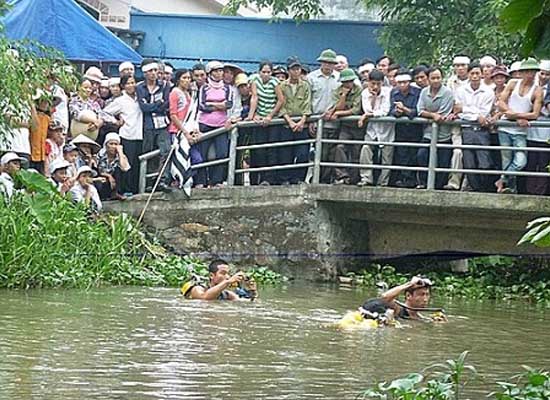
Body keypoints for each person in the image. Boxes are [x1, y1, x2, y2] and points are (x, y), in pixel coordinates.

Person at [496, 58, 544, 194]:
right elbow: (501, 102)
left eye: (532, 72)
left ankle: (502, 180)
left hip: (520, 130)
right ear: (521, 73)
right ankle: (509, 189)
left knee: (520, 161)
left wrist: (515, 116)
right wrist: (513, 114)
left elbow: (535, 114)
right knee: (506, 160)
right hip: (505, 127)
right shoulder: (512, 83)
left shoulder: (537, 90)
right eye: (527, 71)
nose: (530, 75)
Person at [454, 62, 495, 192]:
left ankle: (485, 189)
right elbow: (458, 111)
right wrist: (476, 115)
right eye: (472, 73)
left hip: (482, 131)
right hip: (466, 129)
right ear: (468, 74)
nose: (475, 76)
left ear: (482, 75)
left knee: (485, 163)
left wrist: (468, 110)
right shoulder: (461, 90)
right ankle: (475, 188)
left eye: (478, 73)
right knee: (469, 163)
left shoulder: (488, 92)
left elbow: (485, 112)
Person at [136, 58, 173, 192]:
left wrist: (153, 105)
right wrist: (157, 104)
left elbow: (166, 104)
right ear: (145, 73)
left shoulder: (165, 85)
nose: (153, 73)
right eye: (150, 71)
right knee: (149, 152)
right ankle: (149, 182)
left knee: (166, 150)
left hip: (163, 123)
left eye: (155, 70)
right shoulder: (140, 87)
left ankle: (162, 180)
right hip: (148, 124)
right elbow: (143, 107)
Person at [103, 75, 144, 195]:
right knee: (127, 164)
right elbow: (105, 112)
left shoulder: (140, 98)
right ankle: (125, 189)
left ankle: (136, 189)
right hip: (127, 135)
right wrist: (116, 122)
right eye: (128, 83)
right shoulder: (120, 101)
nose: (131, 86)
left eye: (133, 83)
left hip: (140, 135)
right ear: (123, 86)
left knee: (137, 164)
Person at [416, 67, 455, 189]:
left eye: (438, 77)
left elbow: (442, 114)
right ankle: (423, 182)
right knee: (422, 155)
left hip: (444, 135)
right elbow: (420, 110)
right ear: (428, 79)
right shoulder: (424, 92)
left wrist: (430, 114)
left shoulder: (447, 93)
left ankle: (439, 186)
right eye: (433, 78)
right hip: (428, 133)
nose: (436, 80)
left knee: (443, 162)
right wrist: (432, 114)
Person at [248, 60, 285, 185]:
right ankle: (259, 178)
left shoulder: (275, 82)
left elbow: (280, 100)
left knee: (272, 150)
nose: (266, 74)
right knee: (259, 150)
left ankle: (269, 179)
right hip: (259, 118)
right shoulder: (254, 80)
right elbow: (254, 97)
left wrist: (270, 116)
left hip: (272, 119)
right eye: (263, 72)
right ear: (259, 72)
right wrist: (252, 116)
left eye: (268, 72)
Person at [198, 61, 234, 187]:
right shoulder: (204, 87)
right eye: (216, 71)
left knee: (222, 153)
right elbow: (202, 106)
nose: (219, 74)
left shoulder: (227, 88)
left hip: (221, 125)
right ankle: (201, 181)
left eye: (220, 71)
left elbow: (229, 105)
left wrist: (212, 105)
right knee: (202, 154)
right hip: (205, 124)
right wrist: (220, 105)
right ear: (210, 73)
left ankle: (216, 180)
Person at [357, 69, 394, 186]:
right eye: (373, 83)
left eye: (378, 84)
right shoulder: (364, 93)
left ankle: (383, 182)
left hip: (386, 130)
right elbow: (368, 110)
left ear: (383, 83)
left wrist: (368, 115)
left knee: (387, 156)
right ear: (368, 82)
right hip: (372, 130)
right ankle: (366, 178)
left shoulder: (389, 92)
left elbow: (385, 110)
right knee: (365, 149)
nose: (376, 86)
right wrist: (373, 99)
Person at [307, 49, 340, 183]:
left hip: (334, 120)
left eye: (330, 63)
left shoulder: (339, 78)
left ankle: (326, 179)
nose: (327, 65)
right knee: (320, 152)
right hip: (317, 121)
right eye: (325, 62)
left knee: (332, 153)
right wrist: (310, 120)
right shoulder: (311, 78)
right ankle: (317, 179)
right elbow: (307, 100)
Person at [279, 56, 312, 184]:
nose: (296, 72)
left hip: (302, 125)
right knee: (286, 153)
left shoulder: (305, 86)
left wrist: (303, 120)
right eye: (293, 69)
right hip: (287, 125)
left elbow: (307, 104)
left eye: (298, 69)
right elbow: (281, 105)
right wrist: (290, 121)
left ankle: (299, 178)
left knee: (303, 153)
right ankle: (285, 179)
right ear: (288, 71)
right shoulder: (281, 86)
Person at [169, 68, 204, 188]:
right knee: (180, 156)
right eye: (184, 78)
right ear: (178, 79)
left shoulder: (190, 94)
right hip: (178, 130)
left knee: (196, 158)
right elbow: (173, 115)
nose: (187, 80)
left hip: (189, 129)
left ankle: (187, 179)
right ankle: (178, 180)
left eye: (189, 78)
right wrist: (184, 131)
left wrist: (194, 129)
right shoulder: (175, 92)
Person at [329, 68, 363, 185]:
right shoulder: (337, 90)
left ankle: (354, 179)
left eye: (349, 81)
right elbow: (337, 107)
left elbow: (356, 110)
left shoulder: (359, 90)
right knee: (340, 147)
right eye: (344, 82)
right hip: (345, 126)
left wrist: (338, 113)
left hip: (358, 126)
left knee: (356, 152)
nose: (347, 84)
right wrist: (343, 95)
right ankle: (341, 175)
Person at [390, 69, 422, 188]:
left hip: (415, 129)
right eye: (400, 82)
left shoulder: (418, 92)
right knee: (402, 155)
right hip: (401, 129)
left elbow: (417, 111)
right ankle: (405, 179)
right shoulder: (393, 93)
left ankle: (414, 180)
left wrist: (404, 110)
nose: (402, 85)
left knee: (414, 154)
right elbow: (390, 111)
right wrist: (397, 112)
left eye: (405, 82)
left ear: (409, 82)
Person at [183, 259, 258, 301]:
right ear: (211, 276)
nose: (227, 276)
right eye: (223, 273)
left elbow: (246, 302)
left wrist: (252, 291)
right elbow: (204, 298)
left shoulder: (226, 294)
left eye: (228, 274)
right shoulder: (197, 289)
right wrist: (228, 282)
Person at [97, 132, 130, 200]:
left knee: (119, 169)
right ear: (106, 145)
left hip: (116, 180)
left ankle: (117, 193)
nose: (113, 146)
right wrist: (109, 176)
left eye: (116, 144)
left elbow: (124, 169)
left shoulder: (121, 156)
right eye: (111, 144)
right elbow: (98, 169)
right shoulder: (100, 154)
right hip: (104, 179)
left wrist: (120, 153)